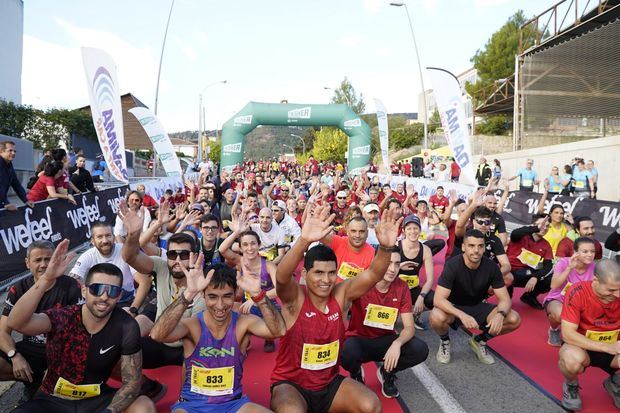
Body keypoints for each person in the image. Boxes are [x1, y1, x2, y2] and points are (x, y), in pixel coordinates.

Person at [269, 204, 401, 413]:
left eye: (331, 273)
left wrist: (385, 249)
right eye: (318, 273)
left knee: (371, 404)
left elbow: (374, 274)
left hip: (329, 384)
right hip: (292, 384)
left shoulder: (341, 295)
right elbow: (282, 277)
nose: (326, 279)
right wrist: (304, 240)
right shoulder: (296, 297)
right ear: (304, 274)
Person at [8, 241, 155, 413]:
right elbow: (16, 322)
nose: (104, 297)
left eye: (113, 291)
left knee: (144, 406)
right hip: (53, 399)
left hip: (97, 398)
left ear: (120, 295)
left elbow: (132, 382)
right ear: (84, 291)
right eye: (97, 289)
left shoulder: (126, 325)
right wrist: (47, 279)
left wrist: (109, 411)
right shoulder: (63, 316)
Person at [149, 254, 286, 413]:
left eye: (227, 296)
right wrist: (188, 294)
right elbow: (157, 334)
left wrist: (258, 295)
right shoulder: (193, 325)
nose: (220, 306)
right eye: (212, 297)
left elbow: (279, 331)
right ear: (203, 294)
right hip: (191, 406)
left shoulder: (244, 323)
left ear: (235, 293)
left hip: (233, 405)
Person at [341, 248, 429, 398]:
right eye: (388, 263)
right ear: (377, 263)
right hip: (360, 340)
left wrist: (397, 343)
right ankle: (356, 373)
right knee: (344, 350)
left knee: (420, 349)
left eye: (396, 264)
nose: (392, 269)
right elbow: (341, 309)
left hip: (386, 341)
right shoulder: (361, 283)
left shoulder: (401, 287)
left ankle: (387, 372)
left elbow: (409, 327)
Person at [0, 241, 81, 400]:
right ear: (27, 263)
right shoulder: (18, 289)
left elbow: (79, 334)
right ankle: (32, 381)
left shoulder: (71, 286)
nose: (44, 265)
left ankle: (42, 390)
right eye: (38, 260)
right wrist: (14, 355)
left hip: (63, 349)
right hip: (33, 348)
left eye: (48, 259)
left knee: (49, 399)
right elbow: (2, 331)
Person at [430, 229, 521, 365]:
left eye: (480, 246)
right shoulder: (452, 265)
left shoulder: (491, 267)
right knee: (436, 316)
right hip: (454, 307)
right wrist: (462, 315)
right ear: (463, 247)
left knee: (514, 319)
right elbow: (438, 299)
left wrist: (500, 315)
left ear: (484, 248)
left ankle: (479, 341)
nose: (476, 250)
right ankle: (445, 341)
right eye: (471, 246)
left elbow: (505, 299)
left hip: (478, 306)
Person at [558, 259, 620, 411]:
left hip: (613, 348)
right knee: (571, 359)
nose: (617, 295)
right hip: (582, 347)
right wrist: (606, 347)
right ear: (596, 280)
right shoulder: (577, 291)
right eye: (611, 290)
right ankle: (571, 386)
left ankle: (615, 384)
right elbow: (567, 334)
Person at [69, 221, 149, 310]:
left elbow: (144, 282)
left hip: (124, 300)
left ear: (113, 237)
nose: (105, 240)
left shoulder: (125, 251)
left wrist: (133, 310)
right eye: (99, 237)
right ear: (92, 241)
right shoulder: (87, 256)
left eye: (108, 235)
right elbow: (73, 279)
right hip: (99, 300)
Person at [544, 238, 596, 347]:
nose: (590, 255)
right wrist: (569, 268)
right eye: (585, 251)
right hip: (558, 299)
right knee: (559, 314)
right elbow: (553, 285)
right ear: (576, 252)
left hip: (581, 303)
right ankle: (554, 329)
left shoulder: (594, 267)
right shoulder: (563, 262)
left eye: (592, 251)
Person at [506, 214, 554, 309]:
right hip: (511, 272)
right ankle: (507, 295)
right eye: (542, 224)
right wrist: (536, 228)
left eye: (547, 226)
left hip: (529, 274)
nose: (544, 228)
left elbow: (548, 266)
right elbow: (515, 233)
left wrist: (535, 277)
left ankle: (529, 297)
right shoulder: (521, 236)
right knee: (506, 303)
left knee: (552, 278)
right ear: (533, 225)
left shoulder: (546, 245)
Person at [397, 215, 435, 329]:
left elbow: (430, 279)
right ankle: (391, 320)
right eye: (409, 228)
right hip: (395, 289)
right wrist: (399, 267)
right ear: (404, 231)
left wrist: (421, 297)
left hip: (413, 288)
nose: (412, 231)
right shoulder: (396, 246)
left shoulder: (426, 250)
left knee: (434, 299)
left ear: (420, 230)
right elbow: (384, 272)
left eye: (415, 228)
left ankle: (416, 315)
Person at [321, 216, 375, 282]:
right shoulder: (338, 242)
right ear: (347, 232)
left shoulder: (372, 252)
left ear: (367, 233)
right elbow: (320, 235)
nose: (357, 235)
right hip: (334, 290)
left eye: (361, 231)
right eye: (353, 231)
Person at [0, 140, 34, 210]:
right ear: (1, 151)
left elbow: (16, 184)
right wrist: (5, 203)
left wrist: (26, 200)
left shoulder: (9, 165)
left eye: (15, 151)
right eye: (10, 150)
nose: (13, 153)